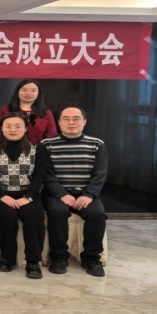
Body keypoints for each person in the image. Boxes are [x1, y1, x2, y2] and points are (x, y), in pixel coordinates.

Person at [39, 107, 108, 277]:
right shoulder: (47, 144)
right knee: (57, 212)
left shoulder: (97, 144)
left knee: (97, 214)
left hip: (86, 193)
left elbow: (100, 173)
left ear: (84, 122)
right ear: (59, 122)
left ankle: (91, 258)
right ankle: (59, 257)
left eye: (76, 119)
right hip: (56, 194)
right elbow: (46, 174)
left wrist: (89, 194)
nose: (71, 122)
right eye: (66, 119)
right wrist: (62, 194)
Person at [0, 112, 46, 279]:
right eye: (8, 126)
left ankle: (33, 261)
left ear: (25, 128)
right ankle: (7, 258)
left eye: (18, 126)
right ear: (1, 128)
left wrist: (28, 197)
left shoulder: (37, 149)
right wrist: (2, 196)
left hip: (28, 194)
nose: (13, 129)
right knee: (7, 215)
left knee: (33, 215)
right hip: (0, 195)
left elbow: (40, 175)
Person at [0, 79, 57, 145]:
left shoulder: (46, 113)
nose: (28, 93)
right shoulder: (5, 110)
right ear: (18, 92)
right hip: (7, 147)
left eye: (33, 90)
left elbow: (51, 136)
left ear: (39, 93)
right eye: (24, 90)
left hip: (38, 149)